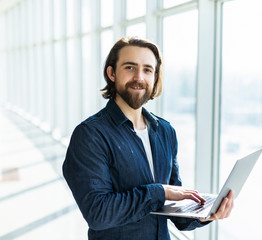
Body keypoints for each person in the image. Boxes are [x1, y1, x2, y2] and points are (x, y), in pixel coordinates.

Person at [62, 37, 234, 240]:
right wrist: (158, 192)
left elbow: (174, 208)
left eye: (147, 70)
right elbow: (98, 213)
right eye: (130, 67)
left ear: (155, 77)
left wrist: (207, 213)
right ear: (111, 73)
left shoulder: (165, 131)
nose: (139, 77)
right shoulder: (90, 135)